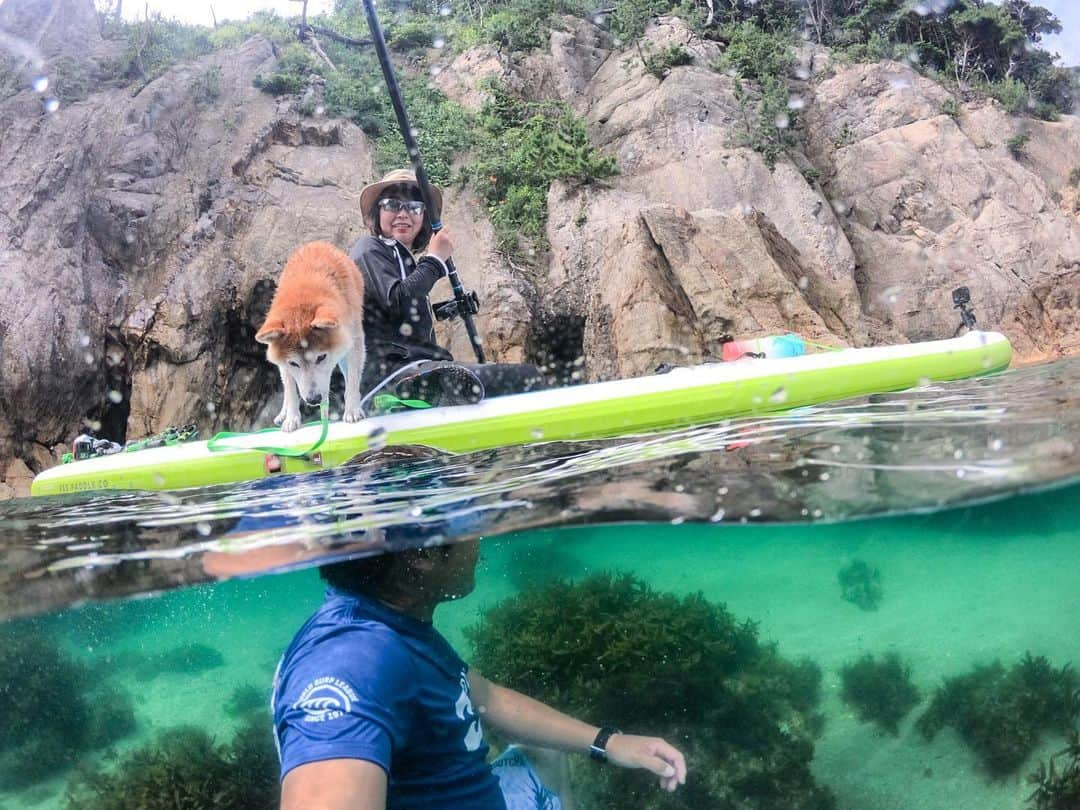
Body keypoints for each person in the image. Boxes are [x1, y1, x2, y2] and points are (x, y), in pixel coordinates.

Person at [273, 536, 688, 809]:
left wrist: (608, 743)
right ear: (420, 554)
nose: (480, 539)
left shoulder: (390, 623)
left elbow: (484, 699)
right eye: (468, 519)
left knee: (544, 751)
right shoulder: (354, 659)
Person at [348, 169, 547, 408]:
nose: (403, 214)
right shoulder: (369, 248)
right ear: (377, 212)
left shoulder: (405, 261)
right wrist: (434, 260)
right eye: (391, 205)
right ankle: (414, 389)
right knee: (528, 378)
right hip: (391, 372)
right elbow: (399, 299)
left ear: (423, 216)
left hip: (418, 366)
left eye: (414, 207)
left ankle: (432, 388)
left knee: (506, 378)